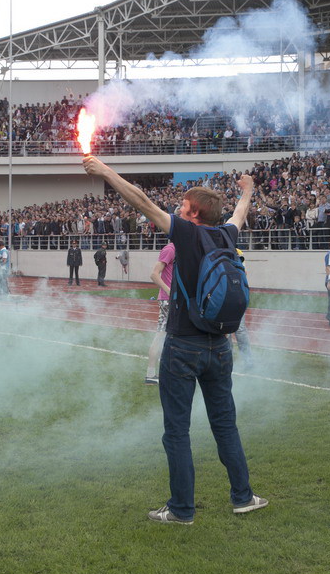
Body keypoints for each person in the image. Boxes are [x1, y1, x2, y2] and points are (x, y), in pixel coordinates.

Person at [83, 154, 267, 525]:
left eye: (183, 206)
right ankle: (243, 496)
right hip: (220, 347)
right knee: (225, 424)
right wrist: (247, 192)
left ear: (195, 213)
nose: (177, 210)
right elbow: (239, 215)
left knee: (177, 430)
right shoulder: (225, 235)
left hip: (183, 346)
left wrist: (104, 171)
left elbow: (142, 201)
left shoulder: (187, 232)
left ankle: (182, 509)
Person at [145, 242, 175, 385]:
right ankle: (150, 374)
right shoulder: (170, 249)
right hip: (168, 300)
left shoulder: (182, 248)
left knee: (171, 336)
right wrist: (170, 291)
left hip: (175, 300)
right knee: (161, 334)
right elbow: (154, 275)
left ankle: (169, 371)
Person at [231, 249, 254, 369]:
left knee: (238, 329)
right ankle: (229, 359)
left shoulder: (238, 253)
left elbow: (243, 273)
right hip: (235, 293)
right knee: (235, 330)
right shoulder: (238, 253)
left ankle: (247, 360)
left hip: (235, 293)